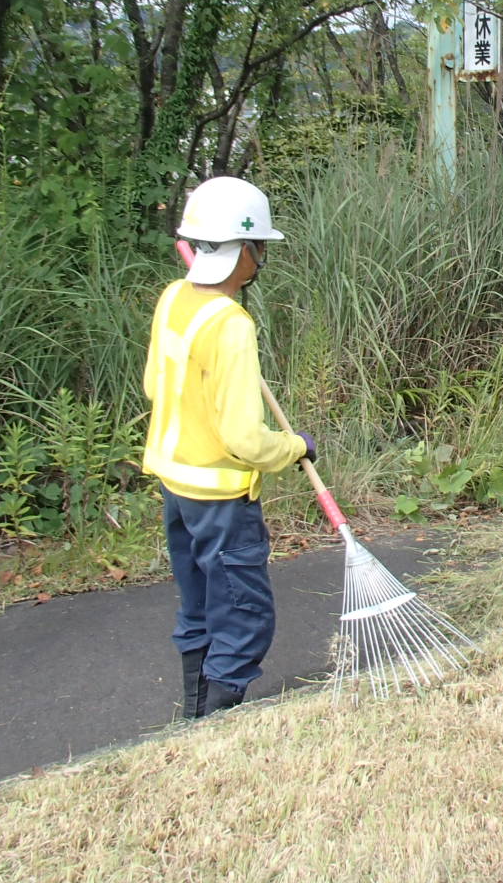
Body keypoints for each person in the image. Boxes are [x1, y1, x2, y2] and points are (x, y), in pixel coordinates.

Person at [143, 176, 316, 718]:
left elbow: (155, 385)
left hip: (176, 484)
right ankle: (218, 716)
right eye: (260, 248)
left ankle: (194, 709)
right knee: (242, 611)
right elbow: (244, 440)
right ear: (244, 251)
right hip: (220, 495)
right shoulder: (232, 325)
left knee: (198, 602)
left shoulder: (174, 298)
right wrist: (294, 446)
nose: (261, 260)